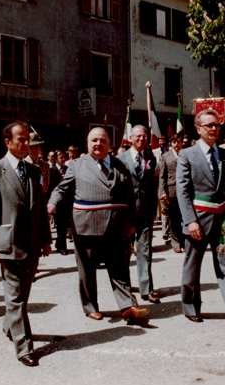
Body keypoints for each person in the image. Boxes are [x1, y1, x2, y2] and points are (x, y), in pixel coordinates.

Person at [48, 127, 149, 324]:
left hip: (116, 225)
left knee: (120, 268)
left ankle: (128, 306)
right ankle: (90, 307)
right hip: (86, 225)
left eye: (102, 140)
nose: (98, 144)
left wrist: (131, 222)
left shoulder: (120, 165)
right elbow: (62, 189)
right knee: (87, 269)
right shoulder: (76, 165)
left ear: (109, 144)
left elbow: (130, 195)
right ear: (87, 144)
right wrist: (52, 204)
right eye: (94, 140)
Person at [0, 122, 51, 367]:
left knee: (22, 294)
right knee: (16, 297)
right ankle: (24, 348)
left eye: (27, 140)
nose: (26, 144)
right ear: (7, 142)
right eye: (21, 139)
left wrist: (46, 239)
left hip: (32, 243)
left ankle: (10, 325)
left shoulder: (33, 170)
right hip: (8, 242)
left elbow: (40, 207)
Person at [176, 109, 225, 331]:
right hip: (197, 222)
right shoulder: (187, 155)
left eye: (216, 125)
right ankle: (191, 307)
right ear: (198, 128)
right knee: (192, 267)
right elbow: (183, 190)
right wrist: (190, 220)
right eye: (209, 125)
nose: (214, 128)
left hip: (222, 222)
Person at [118, 125, 160, 304]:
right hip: (126, 214)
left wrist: (154, 209)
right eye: (138, 136)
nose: (141, 139)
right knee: (124, 253)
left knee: (145, 251)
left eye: (144, 136)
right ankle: (125, 289)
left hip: (145, 211)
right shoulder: (120, 159)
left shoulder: (151, 158)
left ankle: (146, 289)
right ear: (131, 137)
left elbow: (153, 186)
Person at [159, 134, 185, 253]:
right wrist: (162, 191)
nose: (176, 144)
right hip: (172, 191)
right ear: (171, 143)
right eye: (174, 142)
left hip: (185, 191)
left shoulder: (185, 154)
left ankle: (184, 242)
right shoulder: (166, 156)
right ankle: (176, 243)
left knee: (184, 218)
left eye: (178, 142)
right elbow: (162, 176)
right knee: (174, 219)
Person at [49, 150, 71, 254]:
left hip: (67, 202)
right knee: (60, 225)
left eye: (64, 157)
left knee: (64, 225)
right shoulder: (51, 170)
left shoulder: (68, 169)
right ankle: (63, 247)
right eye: (60, 157)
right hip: (56, 203)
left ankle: (59, 243)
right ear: (56, 159)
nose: (63, 159)